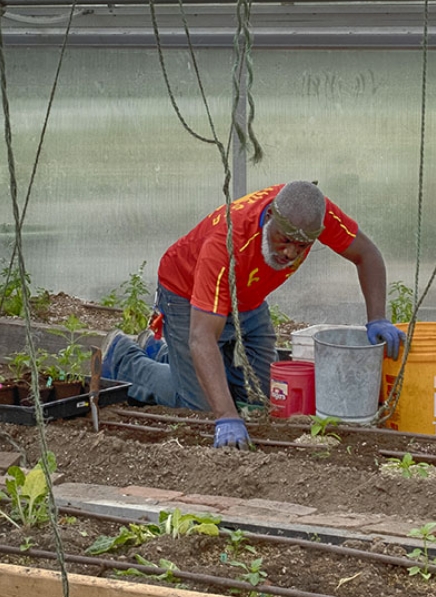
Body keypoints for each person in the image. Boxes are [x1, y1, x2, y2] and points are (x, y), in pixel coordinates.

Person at [101, 181, 404, 450]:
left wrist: (377, 318)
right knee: (201, 407)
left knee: (260, 398)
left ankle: (166, 353)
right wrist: (226, 416)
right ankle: (125, 358)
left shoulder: (314, 213)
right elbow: (202, 336)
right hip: (186, 292)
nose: (289, 253)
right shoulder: (225, 244)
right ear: (270, 215)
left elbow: (368, 255)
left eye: (302, 246)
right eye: (283, 240)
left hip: (247, 295)